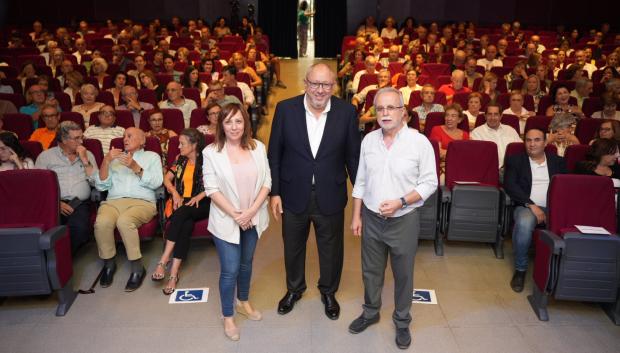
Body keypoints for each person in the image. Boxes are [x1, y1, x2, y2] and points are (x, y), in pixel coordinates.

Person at [268, 63, 360, 320]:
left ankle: (329, 292)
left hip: (330, 193)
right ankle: (294, 289)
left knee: (331, 248)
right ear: (305, 83)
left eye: (326, 85)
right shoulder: (285, 109)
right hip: (292, 193)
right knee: (293, 247)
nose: (320, 90)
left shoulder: (347, 112)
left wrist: (362, 198)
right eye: (315, 84)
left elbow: (353, 158)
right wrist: (275, 192)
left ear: (334, 86)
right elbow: (274, 154)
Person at [349, 87, 437, 350]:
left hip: (404, 220)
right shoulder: (368, 141)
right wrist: (356, 216)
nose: (385, 113)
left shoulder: (419, 142)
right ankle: (370, 311)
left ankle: (401, 320)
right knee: (371, 272)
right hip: (372, 219)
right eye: (380, 108)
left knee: (403, 275)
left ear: (403, 112)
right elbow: (361, 182)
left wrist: (401, 201)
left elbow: (430, 181)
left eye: (391, 108)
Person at [203, 103, 271, 340]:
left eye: (238, 121)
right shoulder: (211, 152)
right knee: (230, 270)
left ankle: (243, 301)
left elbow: (267, 183)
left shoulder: (258, 147)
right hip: (226, 219)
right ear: (221, 124)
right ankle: (228, 315)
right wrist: (237, 215)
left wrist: (250, 212)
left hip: (253, 217)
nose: (234, 127)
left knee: (246, 263)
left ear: (246, 123)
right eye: (228, 121)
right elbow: (211, 190)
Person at [92, 127, 163, 291]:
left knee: (125, 222)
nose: (125, 139)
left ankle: (137, 267)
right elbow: (102, 185)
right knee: (101, 222)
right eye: (124, 136)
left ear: (142, 140)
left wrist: (135, 167)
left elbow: (157, 183)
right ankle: (109, 264)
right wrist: (106, 161)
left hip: (142, 202)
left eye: (130, 136)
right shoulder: (114, 158)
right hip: (114, 201)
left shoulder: (152, 157)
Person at [503, 128, 566, 292]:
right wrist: (532, 205)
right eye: (528, 140)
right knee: (524, 223)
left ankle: (561, 273)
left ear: (545, 143)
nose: (532, 144)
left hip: (554, 208)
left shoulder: (558, 162)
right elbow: (510, 186)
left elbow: (566, 188)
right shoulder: (515, 160)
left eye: (537, 140)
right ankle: (520, 269)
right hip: (525, 206)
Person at [152, 128, 209, 294]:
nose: (178, 147)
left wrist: (200, 196)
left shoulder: (208, 161)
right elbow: (166, 179)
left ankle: (163, 260)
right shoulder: (180, 160)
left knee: (182, 213)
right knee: (185, 225)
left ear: (194, 144)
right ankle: (174, 273)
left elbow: (217, 184)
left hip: (204, 202)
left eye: (182, 143)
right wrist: (174, 192)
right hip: (184, 202)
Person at [35, 121, 98, 254]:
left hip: (79, 203)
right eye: (76, 138)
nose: (81, 142)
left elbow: (96, 183)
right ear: (63, 140)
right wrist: (57, 203)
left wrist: (85, 160)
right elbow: (39, 187)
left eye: (82, 137)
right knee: (47, 230)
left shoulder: (88, 154)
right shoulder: (45, 156)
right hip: (52, 203)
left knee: (79, 229)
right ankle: (58, 259)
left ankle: (62, 259)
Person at [471, 103, 522, 168]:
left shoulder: (510, 130)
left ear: (501, 116)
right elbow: (476, 158)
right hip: (489, 170)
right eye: (489, 114)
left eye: (496, 114)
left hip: (512, 169)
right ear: (485, 116)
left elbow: (520, 150)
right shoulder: (477, 133)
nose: (492, 118)